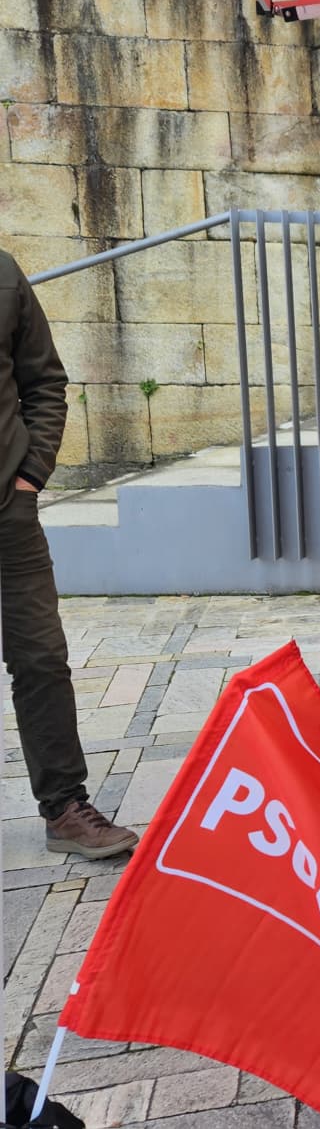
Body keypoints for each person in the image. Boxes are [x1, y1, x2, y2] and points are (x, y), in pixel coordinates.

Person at [1, 249, 138, 859]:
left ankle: (64, 807)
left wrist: (30, 474)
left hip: (9, 512)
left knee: (42, 658)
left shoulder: (3, 275)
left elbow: (44, 381)